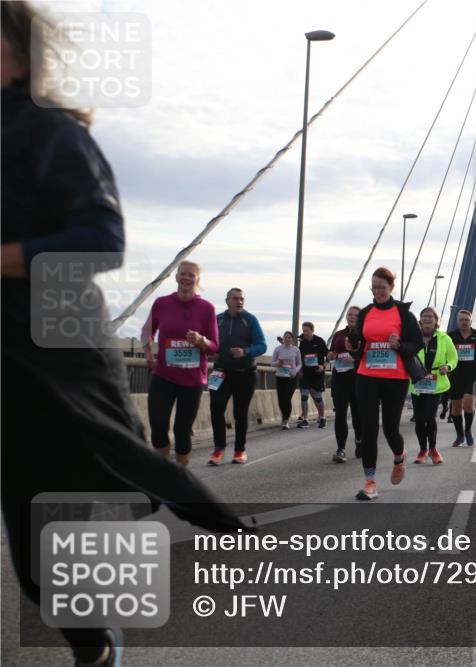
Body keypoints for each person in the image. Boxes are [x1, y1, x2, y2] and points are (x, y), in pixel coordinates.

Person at [1, 5, 245, 664]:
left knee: (94, 485)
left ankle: (231, 529)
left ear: (22, 59)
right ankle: (96, 645)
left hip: (51, 349)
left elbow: (102, 238)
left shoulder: (47, 133)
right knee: (34, 558)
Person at [346, 267, 422, 500]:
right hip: (367, 375)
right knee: (368, 429)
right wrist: (354, 348)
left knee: (390, 429)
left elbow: (416, 344)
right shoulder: (366, 312)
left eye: (382, 287)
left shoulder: (403, 314)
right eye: (374, 287)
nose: (377, 291)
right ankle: (370, 482)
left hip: (395, 378)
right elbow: (359, 345)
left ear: (391, 288)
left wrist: (399, 345)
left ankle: (399, 456)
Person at [142, 261, 218, 467]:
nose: (186, 278)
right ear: (176, 277)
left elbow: (214, 347)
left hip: (192, 380)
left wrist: (201, 340)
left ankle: (180, 474)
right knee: (158, 427)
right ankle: (164, 472)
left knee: (182, 431)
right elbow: (147, 330)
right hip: (163, 375)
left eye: (191, 275)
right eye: (182, 274)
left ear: (197, 280)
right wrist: (148, 351)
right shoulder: (162, 303)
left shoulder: (207, 308)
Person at [208, 288, 266, 465]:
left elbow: (262, 345)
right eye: (235, 298)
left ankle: (240, 450)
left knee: (239, 413)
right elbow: (209, 342)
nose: (239, 301)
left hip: (245, 373)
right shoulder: (218, 320)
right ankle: (218, 450)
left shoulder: (250, 320)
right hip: (221, 372)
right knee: (216, 409)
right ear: (227, 300)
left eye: (242, 299)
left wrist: (245, 351)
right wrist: (211, 352)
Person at [411, 307, 458, 464]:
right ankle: (422, 450)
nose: (427, 318)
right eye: (424, 315)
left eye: (431, 316)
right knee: (419, 419)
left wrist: (448, 367)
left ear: (436, 320)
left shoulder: (444, 338)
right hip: (417, 383)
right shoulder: (413, 336)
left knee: (430, 417)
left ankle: (433, 449)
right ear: (420, 319)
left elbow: (453, 358)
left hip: (436, 383)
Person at [447, 309, 476, 446]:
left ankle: (468, 431)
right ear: (457, 321)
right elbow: (444, 350)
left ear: (471, 321)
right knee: (456, 407)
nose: (464, 322)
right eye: (461, 320)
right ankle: (459, 435)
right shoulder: (451, 336)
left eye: (467, 320)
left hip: (473, 374)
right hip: (455, 373)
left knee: (468, 403)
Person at [328, 305, 363, 461]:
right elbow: (332, 352)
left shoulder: (364, 334)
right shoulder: (339, 334)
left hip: (357, 378)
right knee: (340, 414)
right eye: (350, 314)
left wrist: (355, 360)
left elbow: (368, 356)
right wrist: (330, 355)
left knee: (357, 415)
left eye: (356, 315)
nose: (352, 317)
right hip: (339, 378)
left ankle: (359, 441)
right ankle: (341, 449)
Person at [297, 321, 328, 428]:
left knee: (318, 397)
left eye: (306, 331)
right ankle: (305, 419)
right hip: (305, 374)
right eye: (303, 331)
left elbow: (328, 356)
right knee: (304, 396)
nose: (305, 333)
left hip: (317, 374)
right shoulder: (302, 342)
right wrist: (300, 369)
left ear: (312, 330)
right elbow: (299, 357)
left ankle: (323, 417)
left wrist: (323, 366)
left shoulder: (319, 341)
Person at [272, 331, 302, 430]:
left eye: (289, 337)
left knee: (287, 398)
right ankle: (284, 417)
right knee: (281, 399)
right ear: (283, 338)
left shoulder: (295, 350)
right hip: (280, 376)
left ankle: (285, 420)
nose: (287, 339)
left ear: (292, 340)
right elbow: (272, 363)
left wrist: (295, 371)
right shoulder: (278, 349)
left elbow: (299, 364)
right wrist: (278, 363)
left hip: (291, 377)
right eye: (286, 337)